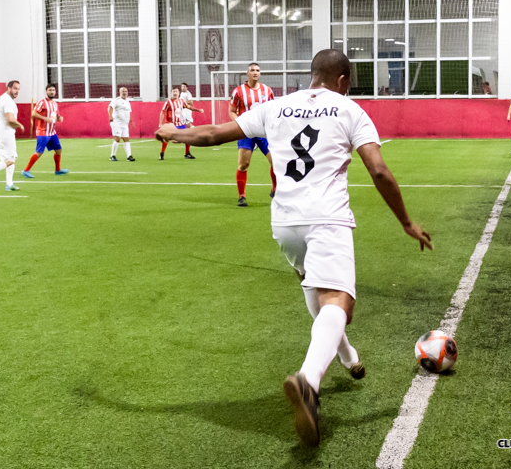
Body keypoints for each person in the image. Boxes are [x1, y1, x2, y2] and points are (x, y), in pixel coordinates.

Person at [156, 49, 432, 447]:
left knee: (318, 291)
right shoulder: (349, 109)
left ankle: (349, 357)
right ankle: (308, 381)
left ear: (312, 74)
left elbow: (213, 134)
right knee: (338, 302)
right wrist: (406, 222)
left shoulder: (275, 106)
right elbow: (378, 170)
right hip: (326, 218)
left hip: (285, 222)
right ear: (342, 81)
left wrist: (173, 133)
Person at [228, 63, 278, 207]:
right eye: (252, 70)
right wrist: (240, 124)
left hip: (263, 132)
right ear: (247, 73)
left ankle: (275, 189)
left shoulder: (267, 90)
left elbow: (272, 110)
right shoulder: (238, 91)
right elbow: (231, 111)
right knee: (243, 165)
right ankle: (241, 196)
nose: (255, 72)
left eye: (257, 70)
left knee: (276, 161)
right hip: (246, 132)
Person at [21, 83, 69, 178]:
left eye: (53, 90)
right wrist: (45, 118)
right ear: (46, 91)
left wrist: (59, 118)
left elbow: (56, 115)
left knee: (58, 150)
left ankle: (58, 170)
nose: (52, 92)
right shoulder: (42, 102)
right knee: (39, 152)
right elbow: (33, 114)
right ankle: (25, 170)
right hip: (42, 132)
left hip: (52, 132)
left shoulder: (55, 104)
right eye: (50, 90)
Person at [158, 87, 203, 160]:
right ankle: (162, 153)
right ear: (171, 93)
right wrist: (160, 124)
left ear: (179, 93)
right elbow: (162, 112)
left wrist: (198, 110)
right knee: (165, 139)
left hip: (180, 124)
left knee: (188, 137)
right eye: (173, 92)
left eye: (176, 92)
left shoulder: (181, 101)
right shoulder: (168, 102)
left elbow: (188, 107)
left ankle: (187, 153)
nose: (175, 93)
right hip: (171, 124)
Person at [108, 86, 135, 161]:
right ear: (120, 92)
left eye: (125, 91)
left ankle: (129, 156)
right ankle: (112, 155)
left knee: (126, 139)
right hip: (117, 123)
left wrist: (131, 121)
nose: (124, 93)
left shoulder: (127, 102)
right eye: (123, 91)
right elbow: (110, 108)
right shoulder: (116, 100)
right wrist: (110, 117)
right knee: (117, 138)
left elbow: (129, 112)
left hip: (125, 124)